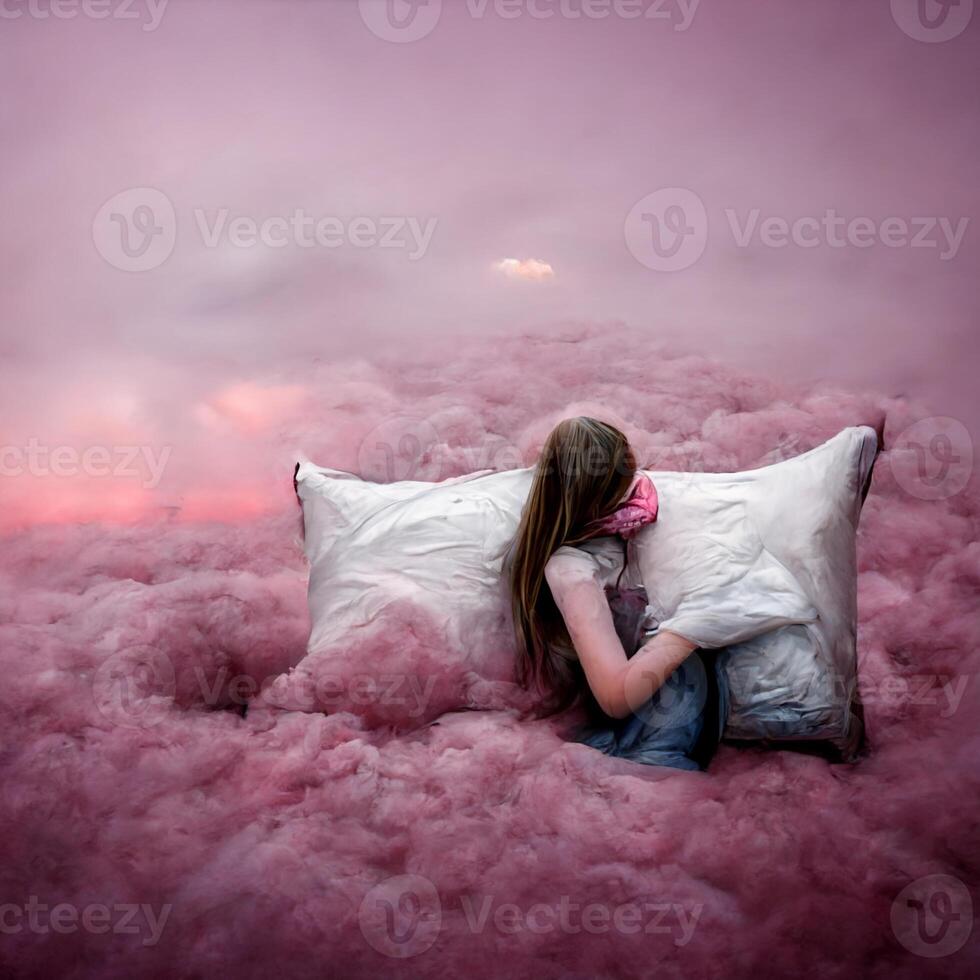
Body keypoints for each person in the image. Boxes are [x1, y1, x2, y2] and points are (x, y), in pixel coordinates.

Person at [507, 416, 726, 771]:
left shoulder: (613, 532)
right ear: (598, 493)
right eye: (627, 482)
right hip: (648, 744)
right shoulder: (571, 569)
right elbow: (614, 696)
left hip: (676, 717)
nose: (639, 489)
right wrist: (693, 628)